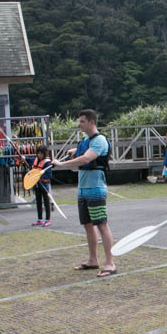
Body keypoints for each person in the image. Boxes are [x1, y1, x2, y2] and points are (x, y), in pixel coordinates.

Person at [53, 109, 116, 277]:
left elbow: (86, 159)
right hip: (83, 189)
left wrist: (61, 164)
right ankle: (93, 260)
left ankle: (110, 263)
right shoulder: (86, 140)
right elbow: (82, 151)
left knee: (101, 225)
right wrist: (74, 150)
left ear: (91, 122)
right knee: (87, 225)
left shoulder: (100, 140)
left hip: (95, 189)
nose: (79, 124)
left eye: (82, 121)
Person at [31, 144, 53, 227]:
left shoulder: (47, 163)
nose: (40, 155)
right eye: (38, 153)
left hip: (44, 185)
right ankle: (39, 219)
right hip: (37, 185)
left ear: (44, 153)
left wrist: (40, 177)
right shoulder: (36, 159)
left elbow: (49, 175)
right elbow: (29, 161)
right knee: (38, 202)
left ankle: (47, 220)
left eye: (41, 153)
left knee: (46, 203)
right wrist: (24, 158)